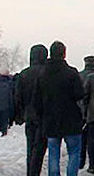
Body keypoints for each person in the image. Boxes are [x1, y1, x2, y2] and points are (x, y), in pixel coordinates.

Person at [35, 41, 85, 176]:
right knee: (74, 152)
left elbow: (37, 99)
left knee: (53, 153)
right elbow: (79, 94)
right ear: (64, 54)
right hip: (71, 119)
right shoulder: (72, 73)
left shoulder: (42, 74)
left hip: (50, 120)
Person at [15, 44, 49, 176]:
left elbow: (18, 97)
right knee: (40, 147)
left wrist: (19, 114)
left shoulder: (24, 74)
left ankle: (31, 171)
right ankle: (34, 172)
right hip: (44, 115)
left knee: (30, 146)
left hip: (29, 114)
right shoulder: (47, 72)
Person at [79, 55, 94, 170]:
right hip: (93, 112)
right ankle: (92, 164)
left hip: (79, 112)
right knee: (92, 140)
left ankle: (81, 162)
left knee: (81, 139)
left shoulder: (79, 76)